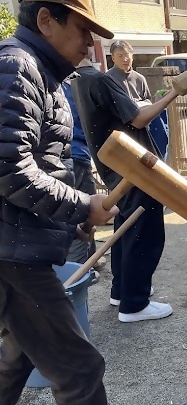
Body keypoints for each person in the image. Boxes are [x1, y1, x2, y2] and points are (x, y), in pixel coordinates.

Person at [0, 0, 154, 405]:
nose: (91, 44)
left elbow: (48, 161)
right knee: (78, 366)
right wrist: (81, 205)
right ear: (46, 18)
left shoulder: (44, 73)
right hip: (12, 252)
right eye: (83, 30)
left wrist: (75, 215)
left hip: (20, 244)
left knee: (19, 348)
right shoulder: (15, 67)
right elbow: (10, 170)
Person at [72, 60, 179, 323]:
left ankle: (122, 292)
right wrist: (175, 92)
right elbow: (140, 118)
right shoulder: (99, 80)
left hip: (115, 168)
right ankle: (135, 303)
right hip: (134, 167)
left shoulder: (77, 81)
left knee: (126, 228)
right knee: (144, 234)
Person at [106, 39, 169, 159]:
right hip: (121, 130)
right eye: (120, 56)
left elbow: (147, 100)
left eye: (127, 55)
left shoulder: (139, 78)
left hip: (143, 128)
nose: (125, 59)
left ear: (132, 57)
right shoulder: (107, 79)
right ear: (113, 58)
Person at [63, 76, 98, 265]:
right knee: (80, 212)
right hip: (73, 155)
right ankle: (78, 270)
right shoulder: (65, 88)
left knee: (86, 209)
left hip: (77, 155)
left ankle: (90, 261)